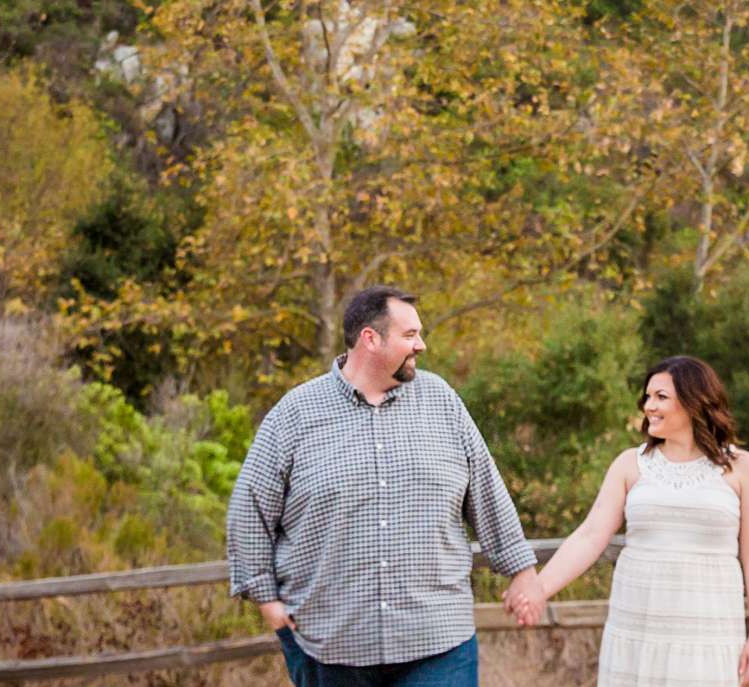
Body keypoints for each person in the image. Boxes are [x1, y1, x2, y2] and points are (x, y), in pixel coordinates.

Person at [227, 286, 546, 687]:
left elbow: (486, 488)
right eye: (410, 335)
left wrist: (522, 570)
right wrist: (266, 599)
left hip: (437, 640)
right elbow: (249, 510)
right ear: (370, 339)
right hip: (330, 643)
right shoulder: (294, 414)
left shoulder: (441, 401)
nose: (422, 345)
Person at [510, 355, 749, 687]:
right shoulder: (630, 465)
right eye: (647, 397)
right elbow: (590, 536)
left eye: (661, 397)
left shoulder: (741, 468)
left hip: (709, 630)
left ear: (695, 401)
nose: (649, 406)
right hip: (639, 625)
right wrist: (539, 589)